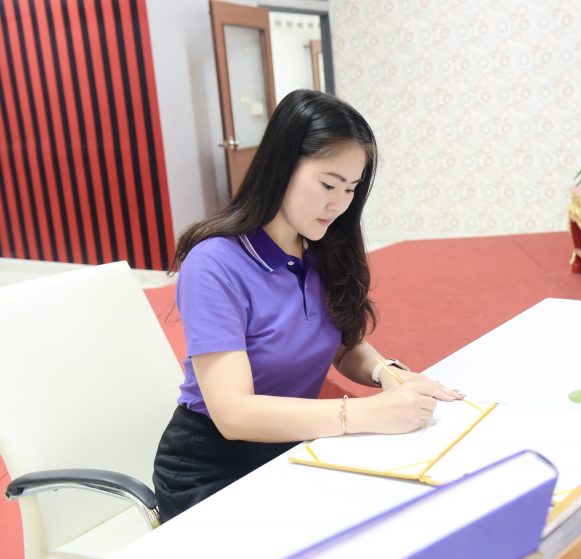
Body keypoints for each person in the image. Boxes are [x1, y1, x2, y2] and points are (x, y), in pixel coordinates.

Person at [152, 89, 463, 522]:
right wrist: (364, 412)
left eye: (351, 189)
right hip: (212, 469)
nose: (339, 204)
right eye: (328, 184)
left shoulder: (320, 248)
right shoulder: (215, 263)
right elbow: (234, 414)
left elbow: (343, 344)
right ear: (281, 166)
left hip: (292, 446)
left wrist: (386, 373)